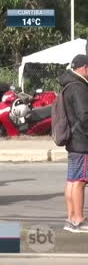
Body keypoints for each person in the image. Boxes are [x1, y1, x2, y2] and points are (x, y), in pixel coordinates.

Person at [60, 54, 88, 233]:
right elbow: (85, 115)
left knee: (72, 181)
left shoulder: (68, 85)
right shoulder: (79, 87)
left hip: (73, 140)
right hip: (82, 141)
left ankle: (71, 218)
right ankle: (78, 219)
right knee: (80, 181)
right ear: (84, 68)